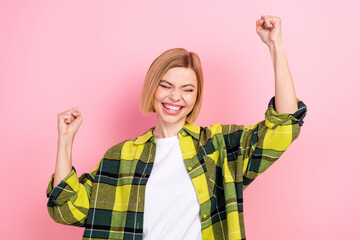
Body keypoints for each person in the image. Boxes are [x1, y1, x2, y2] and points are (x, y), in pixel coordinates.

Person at [46, 15, 307, 240]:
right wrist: (65, 141)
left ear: (196, 96)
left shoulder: (216, 146)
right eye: (166, 85)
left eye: (187, 89)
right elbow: (66, 209)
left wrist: (276, 46)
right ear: (153, 88)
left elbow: (282, 129)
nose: (175, 97)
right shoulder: (121, 157)